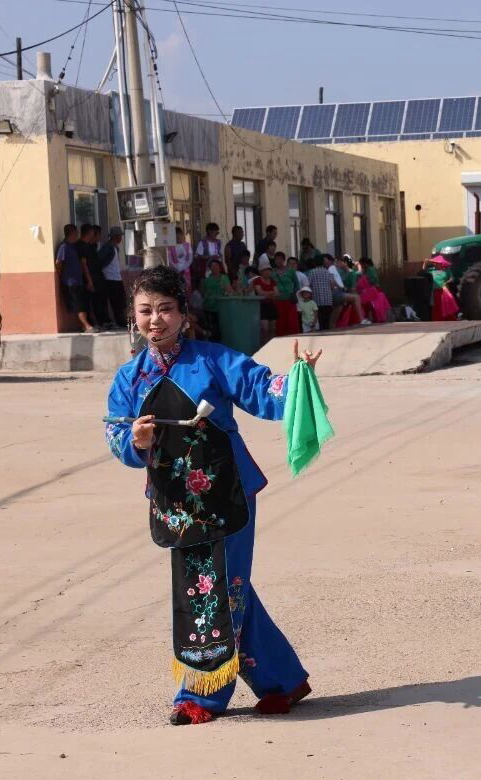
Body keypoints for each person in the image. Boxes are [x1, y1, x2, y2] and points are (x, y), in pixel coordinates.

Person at [105, 265, 320, 726]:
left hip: (229, 494)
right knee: (223, 585)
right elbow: (115, 433)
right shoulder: (129, 379)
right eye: (145, 310)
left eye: (166, 309)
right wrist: (136, 442)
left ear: (184, 314)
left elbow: (263, 390)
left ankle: (201, 695)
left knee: (215, 587)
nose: (155, 320)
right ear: (133, 317)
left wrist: (298, 377)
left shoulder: (212, 360)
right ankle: (282, 680)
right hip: (176, 504)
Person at [56, 224, 95, 333]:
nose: (78, 234)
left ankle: (84, 326)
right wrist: (62, 274)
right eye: (76, 232)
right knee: (79, 305)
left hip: (78, 281)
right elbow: (58, 262)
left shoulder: (74, 246)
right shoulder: (64, 246)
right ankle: (87, 325)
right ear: (72, 233)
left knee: (82, 303)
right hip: (70, 282)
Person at [326, 254, 369, 326]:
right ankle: (361, 319)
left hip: (343, 292)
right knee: (355, 298)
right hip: (338, 292)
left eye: (340, 262)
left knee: (345, 302)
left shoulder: (348, 272)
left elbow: (353, 287)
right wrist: (341, 287)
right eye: (337, 262)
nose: (338, 263)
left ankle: (333, 324)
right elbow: (334, 281)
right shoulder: (335, 270)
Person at [98, 226, 128, 328]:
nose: (121, 238)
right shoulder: (107, 247)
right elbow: (100, 259)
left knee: (121, 301)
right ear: (116, 236)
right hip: (109, 278)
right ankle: (119, 321)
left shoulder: (115, 248)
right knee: (116, 302)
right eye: (120, 236)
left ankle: (121, 320)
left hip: (117, 277)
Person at [199, 258, 233, 341]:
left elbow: (229, 290)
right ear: (210, 268)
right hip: (209, 307)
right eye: (212, 266)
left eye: (216, 266)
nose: (214, 267)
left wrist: (225, 288)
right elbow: (203, 293)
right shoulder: (207, 280)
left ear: (220, 267)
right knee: (212, 327)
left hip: (222, 307)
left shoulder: (224, 278)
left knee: (221, 327)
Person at [272, 253, 301, 338]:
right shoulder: (272, 272)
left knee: (292, 322)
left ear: (284, 260)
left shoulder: (291, 271)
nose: (278, 261)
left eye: (280, 259)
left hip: (290, 300)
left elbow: (297, 285)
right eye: (277, 259)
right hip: (277, 301)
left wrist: (293, 293)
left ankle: (294, 339)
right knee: (280, 323)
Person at [304, 257, 337, 330]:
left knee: (319, 321)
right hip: (328, 301)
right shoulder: (327, 272)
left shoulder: (312, 272)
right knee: (326, 321)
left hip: (316, 301)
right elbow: (332, 286)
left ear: (314, 263)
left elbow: (308, 285)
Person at [247, 265, 278, 343]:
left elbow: (277, 293)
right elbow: (260, 293)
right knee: (265, 328)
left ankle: (272, 344)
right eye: (265, 270)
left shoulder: (272, 281)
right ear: (261, 271)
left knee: (273, 328)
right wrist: (271, 293)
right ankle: (264, 345)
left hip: (271, 305)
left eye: (269, 270)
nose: (267, 272)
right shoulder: (257, 280)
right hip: (261, 306)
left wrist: (266, 294)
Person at [356, 258, 393, 323]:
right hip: (370, 289)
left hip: (374, 290)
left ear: (365, 264)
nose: (361, 266)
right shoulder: (366, 270)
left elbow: (373, 280)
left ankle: (366, 317)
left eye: (362, 264)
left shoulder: (370, 270)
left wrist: (366, 281)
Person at [425, 255, 460, 321]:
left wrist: (447, 282)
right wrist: (425, 263)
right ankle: (437, 320)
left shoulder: (447, 270)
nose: (435, 264)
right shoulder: (432, 270)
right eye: (434, 263)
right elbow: (424, 270)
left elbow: (452, 278)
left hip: (444, 290)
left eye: (436, 263)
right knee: (437, 306)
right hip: (435, 291)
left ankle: (450, 319)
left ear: (440, 263)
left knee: (446, 305)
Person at [193, 223, 223, 292]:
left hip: (217, 268)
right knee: (205, 287)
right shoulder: (202, 243)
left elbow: (220, 255)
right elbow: (198, 256)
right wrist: (211, 257)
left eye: (217, 233)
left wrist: (221, 264)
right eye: (216, 233)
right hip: (205, 268)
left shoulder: (218, 242)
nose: (217, 235)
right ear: (210, 231)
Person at [169, 226, 194, 292]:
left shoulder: (187, 245)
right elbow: (170, 259)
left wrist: (183, 268)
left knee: (186, 287)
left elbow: (190, 259)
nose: (178, 238)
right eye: (176, 236)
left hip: (186, 270)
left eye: (179, 235)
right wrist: (176, 268)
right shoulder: (170, 247)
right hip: (174, 271)